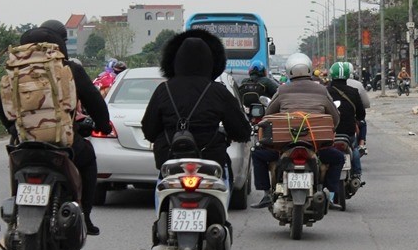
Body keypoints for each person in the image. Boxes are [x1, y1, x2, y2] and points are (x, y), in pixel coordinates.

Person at [0, 22, 112, 236]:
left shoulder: (15, 72)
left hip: (24, 143)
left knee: (15, 165)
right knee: (87, 159)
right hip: (61, 143)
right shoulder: (69, 69)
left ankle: (14, 216)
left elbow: (3, 108)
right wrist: (103, 126)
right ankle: (85, 216)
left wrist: (16, 131)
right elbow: (95, 102)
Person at [141, 29, 251, 182]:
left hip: (170, 160)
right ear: (212, 62)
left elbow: (149, 130)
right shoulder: (218, 91)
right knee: (225, 180)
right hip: (210, 161)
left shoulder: (163, 90)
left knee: (161, 190)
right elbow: (241, 130)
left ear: (175, 61)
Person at [250, 53, 344, 209]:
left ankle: (266, 194)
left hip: (284, 145)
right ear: (309, 69)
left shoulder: (282, 90)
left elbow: (267, 116)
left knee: (257, 154)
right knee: (338, 158)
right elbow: (335, 118)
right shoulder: (322, 90)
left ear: (289, 71)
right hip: (315, 145)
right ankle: (327, 192)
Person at [328, 62, 366, 180]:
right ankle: (357, 175)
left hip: (330, 132)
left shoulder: (325, 91)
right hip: (348, 132)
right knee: (353, 147)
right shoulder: (353, 91)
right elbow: (361, 114)